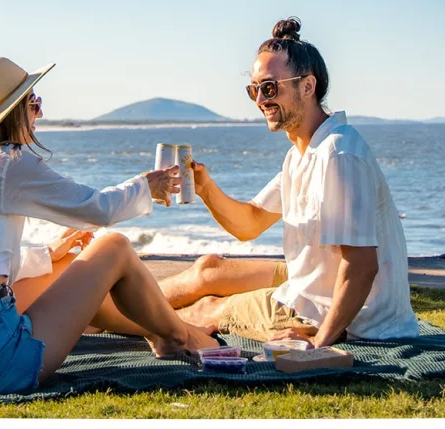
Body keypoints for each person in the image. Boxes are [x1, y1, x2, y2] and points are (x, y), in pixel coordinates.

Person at [0, 56, 218, 394]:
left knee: (70, 266)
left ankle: (164, 331)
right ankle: (179, 337)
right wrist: (147, 184)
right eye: (33, 102)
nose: (39, 113)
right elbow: (96, 210)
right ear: (13, 112)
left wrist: (46, 254)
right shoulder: (5, 162)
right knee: (113, 248)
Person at [160, 18, 419, 346]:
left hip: (346, 319)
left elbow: (361, 266)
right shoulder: (301, 154)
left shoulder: (337, 154)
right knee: (209, 269)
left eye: (269, 88)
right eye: (254, 89)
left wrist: (319, 344)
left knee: (206, 310)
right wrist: (206, 188)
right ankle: (102, 303)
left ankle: (101, 316)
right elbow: (249, 223)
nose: (259, 100)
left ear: (307, 87)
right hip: (312, 288)